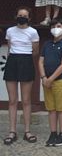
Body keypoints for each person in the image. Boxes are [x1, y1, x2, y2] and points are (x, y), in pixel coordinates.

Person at [3, 7, 40, 145]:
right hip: (12, 61)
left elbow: (35, 51)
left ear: (29, 18)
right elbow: (9, 47)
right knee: (12, 100)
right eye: (20, 15)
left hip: (26, 60)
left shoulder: (33, 32)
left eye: (25, 15)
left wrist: (25, 59)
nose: (22, 17)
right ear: (16, 16)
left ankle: (27, 131)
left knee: (26, 100)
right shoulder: (10, 31)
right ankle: (12, 131)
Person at [38, 17, 62, 147]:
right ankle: (53, 133)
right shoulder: (46, 44)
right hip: (46, 81)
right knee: (51, 109)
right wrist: (43, 77)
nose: (55, 29)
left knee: (61, 108)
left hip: (60, 81)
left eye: (58, 26)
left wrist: (51, 78)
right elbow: (40, 61)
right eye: (53, 27)